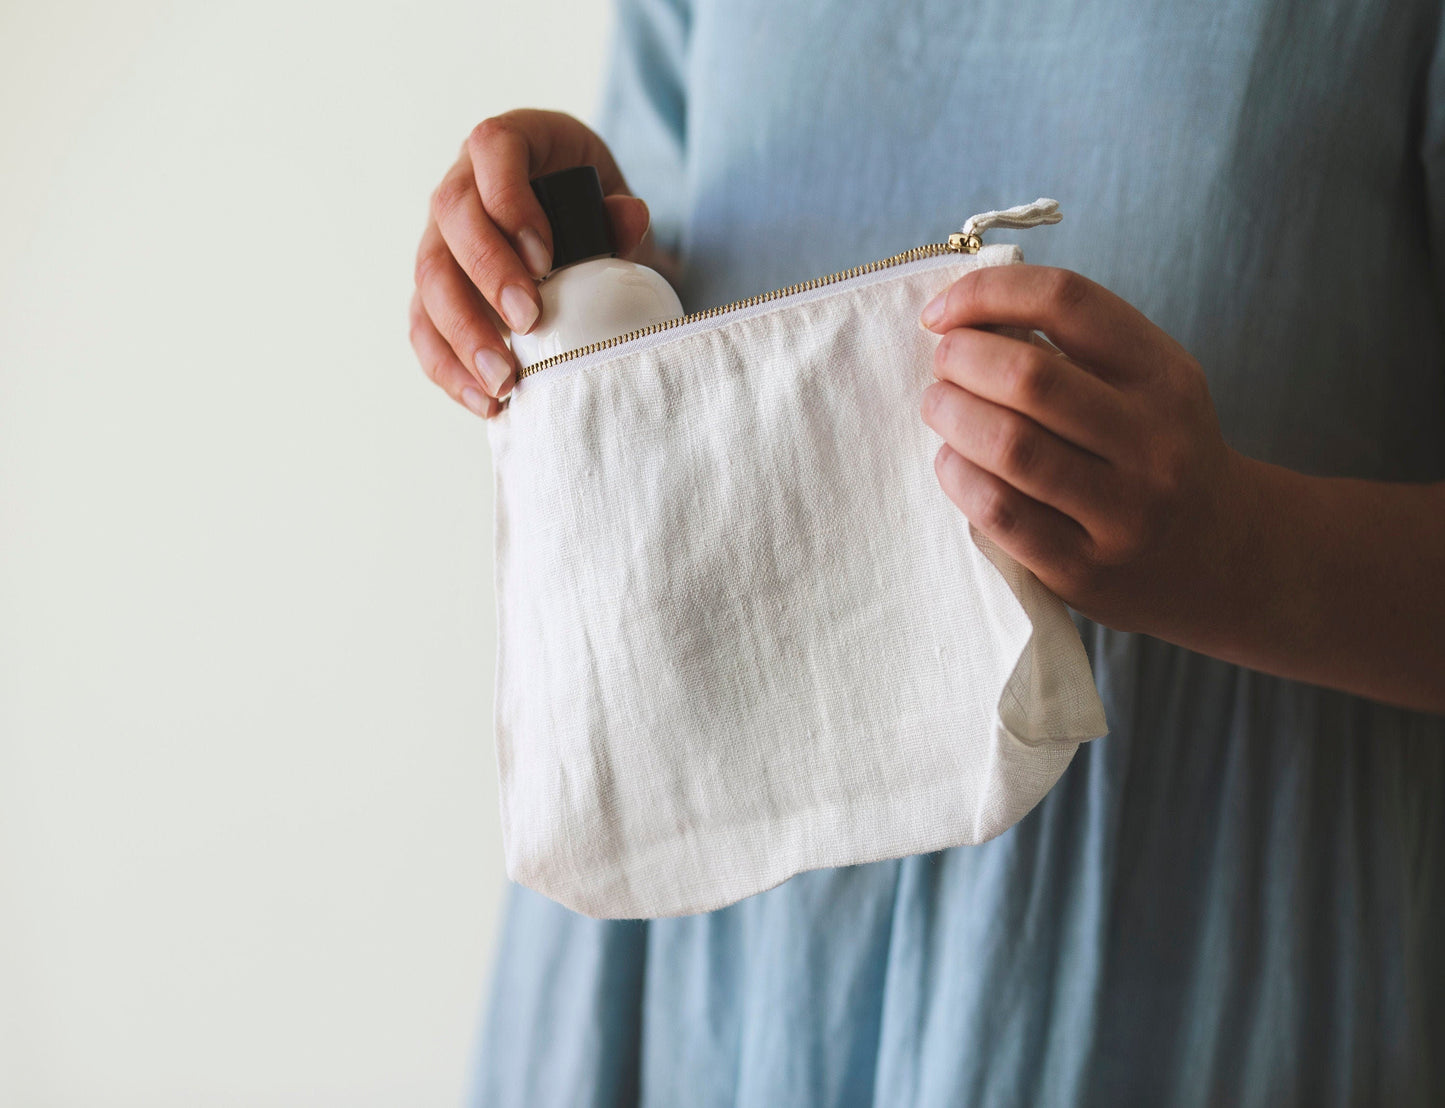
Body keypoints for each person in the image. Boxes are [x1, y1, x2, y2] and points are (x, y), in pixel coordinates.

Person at [408, 1, 1445, 1103]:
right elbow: (684, 344)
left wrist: (1241, 552)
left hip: (1189, 948)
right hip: (719, 952)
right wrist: (583, 263)